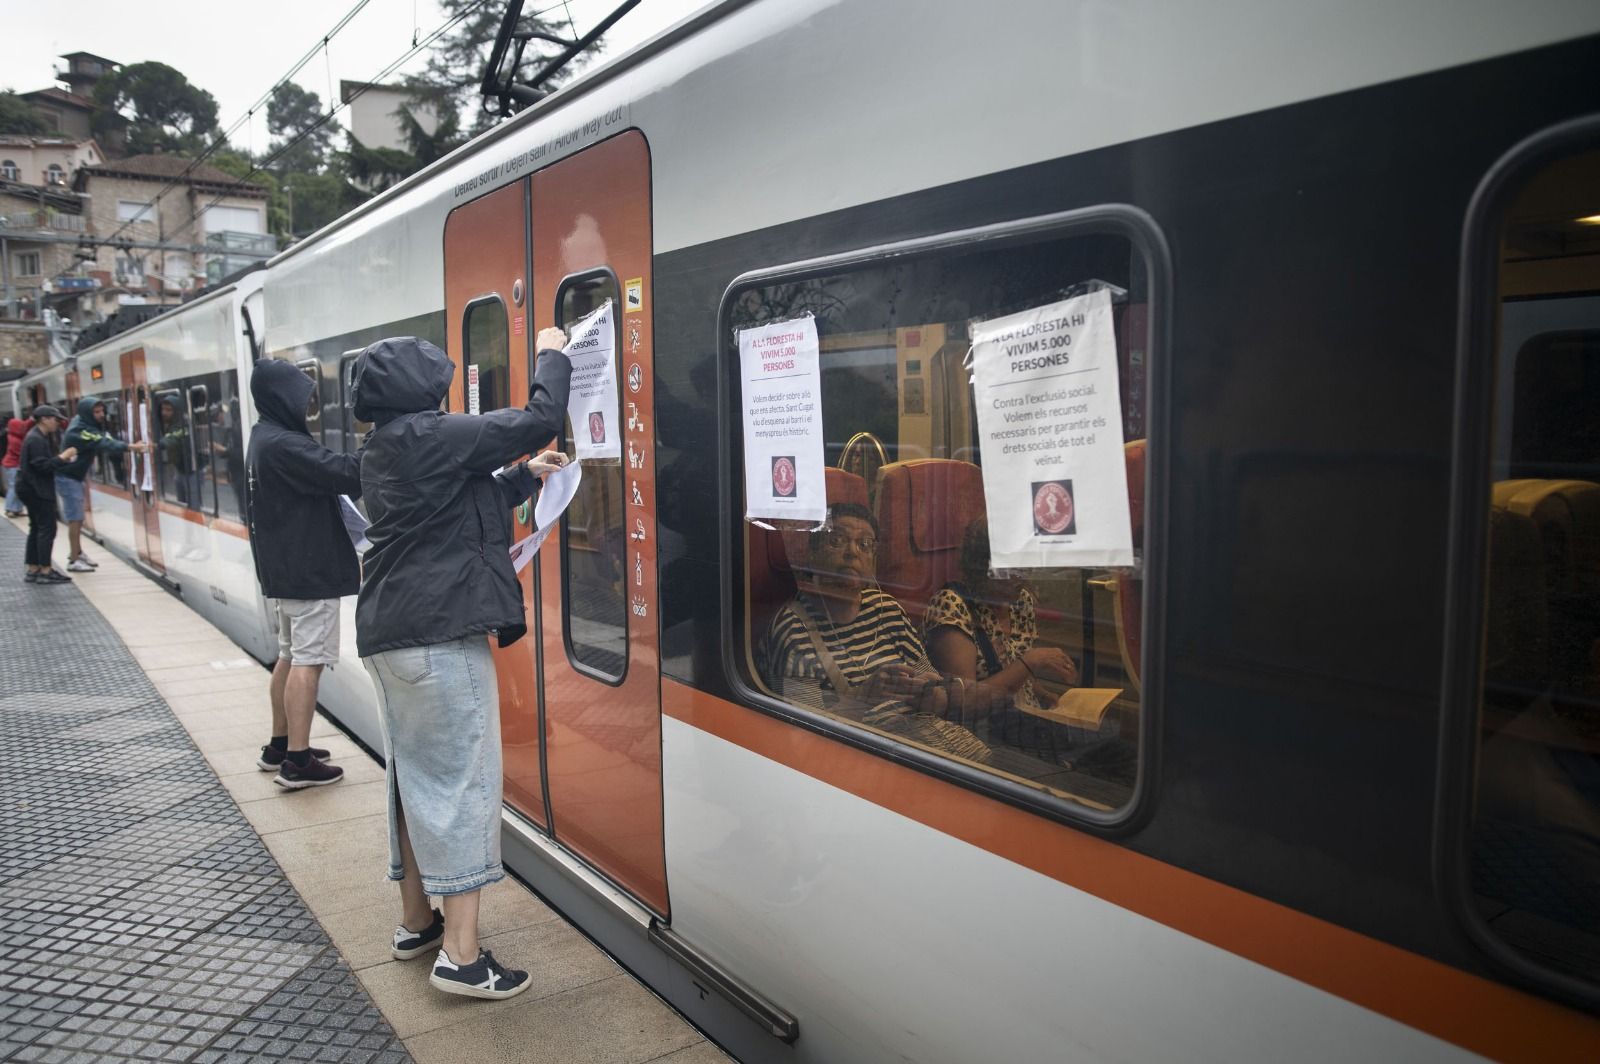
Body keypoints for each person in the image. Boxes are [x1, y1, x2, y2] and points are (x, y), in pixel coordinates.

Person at [351, 329, 571, 1000]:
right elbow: (540, 418)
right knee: (464, 785)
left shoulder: (387, 446)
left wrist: (519, 479)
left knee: (415, 780)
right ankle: (463, 957)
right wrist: (552, 351)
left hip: (391, 631)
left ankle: (418, 922)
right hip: (438, 634)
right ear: (418, 389)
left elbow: (447, 505)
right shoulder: (431, 434)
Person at [760, 502, 993, 765]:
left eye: (865, 544)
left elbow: (939, 700)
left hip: (950, 748)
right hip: (873, 760)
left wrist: (928, 694)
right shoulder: (793, 629)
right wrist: (862, 698)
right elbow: (804, 739)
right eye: (836, 540)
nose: (852, 553)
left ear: (873, 560)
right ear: (813, 554)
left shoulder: (887, 609)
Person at [245, 359, 362, 789]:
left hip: (285, 570)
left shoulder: (263, 437)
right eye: (302, 397)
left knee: (289, 656)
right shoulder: (286, 445)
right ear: (281, 398)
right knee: (308, 662)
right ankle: (297, 761)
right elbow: (348, 473)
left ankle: (279, 744)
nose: (308, 406)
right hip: (309, 570)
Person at [923, 516, 1078, 712]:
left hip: (1023, 717)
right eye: (1012, 566)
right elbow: (963, 700)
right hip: (984, 727)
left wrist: (1040, 693)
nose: (1021, 576)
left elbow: (1013, 670)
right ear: (984, 566)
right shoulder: (952, 605)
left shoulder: (1021, 601)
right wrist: (1032, 660)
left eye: (1025, 565)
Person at [57, 397, 150, 571]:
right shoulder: (80, 430)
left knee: (78, 517)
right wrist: (132, 447)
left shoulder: (85, 422)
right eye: (96, 412)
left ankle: (78, 552)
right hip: (68, 479)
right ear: (87, 413)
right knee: (75, 519)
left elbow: (103, 437)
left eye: (102, 411)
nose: (101, 415)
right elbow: (103, 442)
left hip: (74, 478)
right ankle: (74, 560)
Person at [14, 406, 77, 584]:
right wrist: (63, 457)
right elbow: (42, 466)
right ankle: (45, 571)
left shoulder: (35, 437)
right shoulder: (36, 440)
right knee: (47, 529)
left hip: (29, 487)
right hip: (37, 489)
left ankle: (33, 568)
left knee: (36, 528)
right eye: (55, 420)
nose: (58, 423)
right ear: (44, 419)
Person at [4, 414, 31, 518]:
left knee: (19, 487)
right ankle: (9, 508)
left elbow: (25, 426)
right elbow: (21, 453)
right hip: (12, 465)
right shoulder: (14, 440)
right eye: (20, 427)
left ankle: (17, 509)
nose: (23, 428)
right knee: (14, 487)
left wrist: (31, 419)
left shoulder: (15, 436)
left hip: (14, 465)